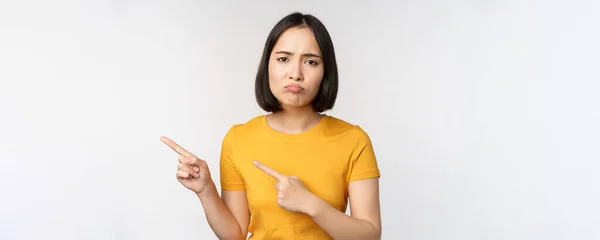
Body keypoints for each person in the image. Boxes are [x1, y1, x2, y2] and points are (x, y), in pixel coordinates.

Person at [160, 12, 381, 240]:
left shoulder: (353, 140)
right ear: (267, 65)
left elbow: (370, 236)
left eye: (311, 61)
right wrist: (206, 191)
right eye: (283, 59)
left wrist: (312, 205)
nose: (295, 74)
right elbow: (234, 235)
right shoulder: (239, 139)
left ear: (325, 72)